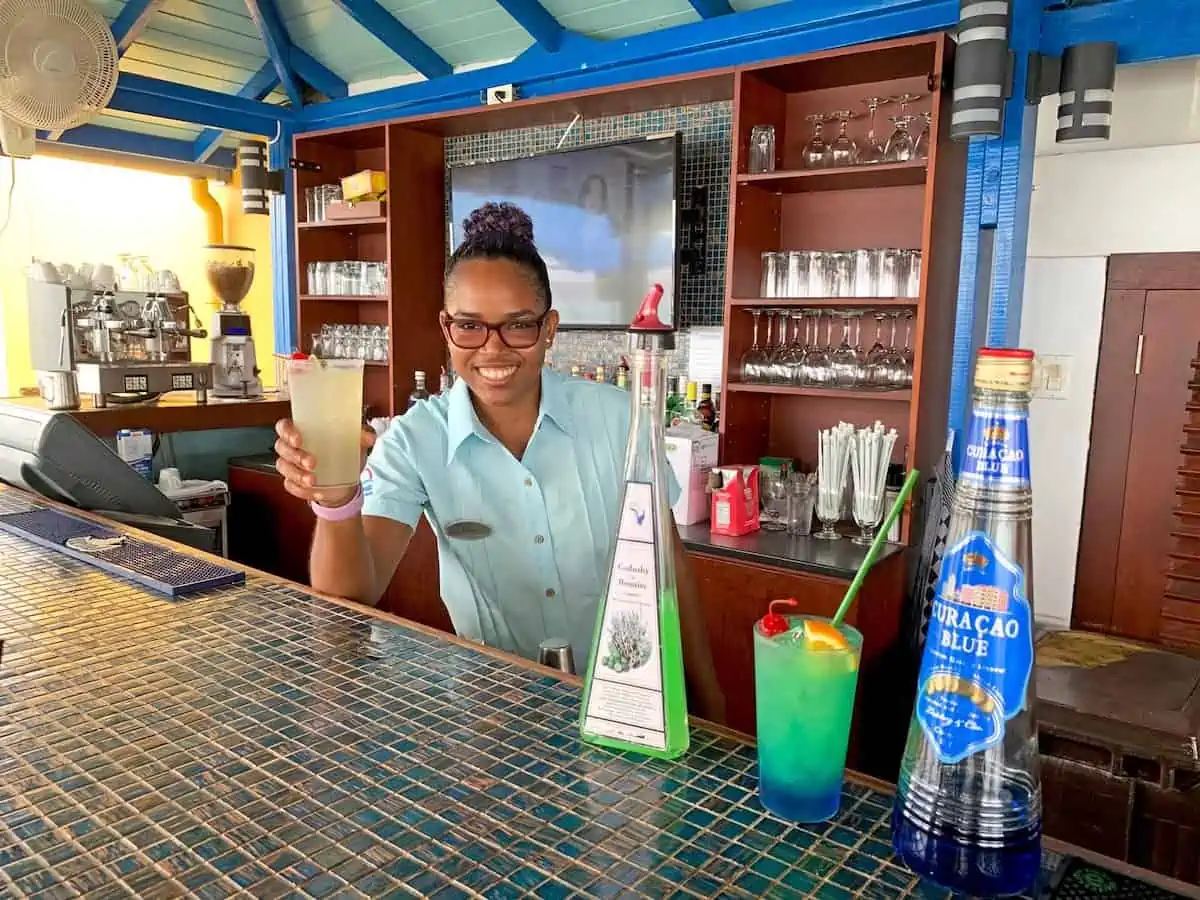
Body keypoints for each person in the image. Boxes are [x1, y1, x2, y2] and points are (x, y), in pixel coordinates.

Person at [274, 201, 725, 722]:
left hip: (625, 705)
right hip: (490, 721)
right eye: (469, 325)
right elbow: (352, 597)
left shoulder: (618, 417)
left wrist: (710, 704)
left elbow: (667, 572)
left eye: (518, 326)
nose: (493, 349)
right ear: (446, 329)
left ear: (549, 329)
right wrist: (335, 500)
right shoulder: (416, 438)